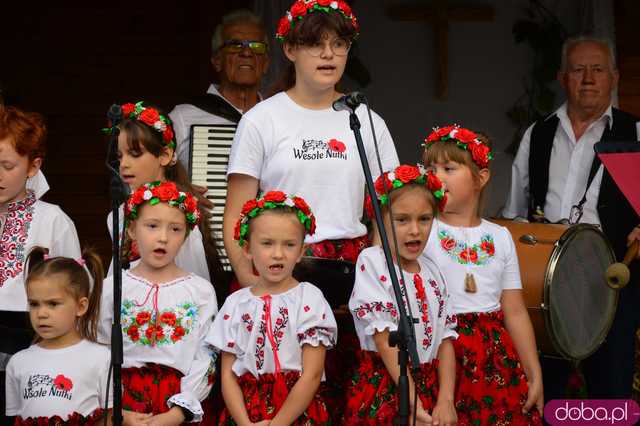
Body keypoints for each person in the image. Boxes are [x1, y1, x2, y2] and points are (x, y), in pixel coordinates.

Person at [225, 0, 398, 287]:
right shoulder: (260, 119)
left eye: (339, 44)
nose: (328, 54)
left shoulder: (367, 121)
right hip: (276, 265)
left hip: (352, 271)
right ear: (290, 49)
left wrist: (376, 278)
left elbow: (389, 209)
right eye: (316, 43)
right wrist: (251, 282)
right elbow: (235, 214)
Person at [503, 35, 640, 399]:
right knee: (545, 391)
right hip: (545, 282)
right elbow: (515, 214)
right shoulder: (538, 133)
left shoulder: (637, 133)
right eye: (579, 70)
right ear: (563, 78)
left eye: (598, 70)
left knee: (611, 390)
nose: (589, 78)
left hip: (613, 281)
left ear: (614, 78)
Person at [424, 125, 543, 425]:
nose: (436, 176)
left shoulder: (500, 236)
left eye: (449, 168)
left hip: (491, 357)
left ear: (481, 178)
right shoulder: (423, 230)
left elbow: (514, 311)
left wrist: (534, 372)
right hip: (441, 349)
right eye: (430, 168)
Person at [207, 191, 337, 425]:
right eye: (267, 243)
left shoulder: (309, 298)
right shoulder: (236, 303)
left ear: (300, 251)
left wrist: (279, 423)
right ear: (247, 249)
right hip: (246, 412)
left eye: (289, 245)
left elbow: (313, 373)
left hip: (296, 411)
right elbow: (227, 374)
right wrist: (244, 423)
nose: (278, 254)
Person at [344, 165, 457, 425]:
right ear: (380, 220)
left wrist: (446, 399)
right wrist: (411, 397)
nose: (415, 230)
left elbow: (446, 339)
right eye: (402, 219)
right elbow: (384, 338)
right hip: (387, 383)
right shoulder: (373, 262)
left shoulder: (432, 270)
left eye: (424, 219)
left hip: (431, 387)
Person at [98, 181, 218, 424]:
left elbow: (207, 356)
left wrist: (178, 411)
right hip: (122, 402)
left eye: (175, 229)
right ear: (131, 229)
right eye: (152, 226)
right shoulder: (112, 287)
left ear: (185, 235)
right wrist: (116, 410)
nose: (163, 237)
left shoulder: (200, 292)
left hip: (175, 402)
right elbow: (99, 349)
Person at [0, 105, 81, 424]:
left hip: (31, 348)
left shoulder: (54, 221)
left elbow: (76, 292)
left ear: (33, 167)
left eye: (7, 166)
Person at [105, 101, 226, 290]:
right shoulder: (119, 213)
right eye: (120, 156)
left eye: (135, 154)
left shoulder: (178, 212)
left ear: (165, 155)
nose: (124, 165)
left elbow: (195, 286)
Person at [5, 247, 111, 425]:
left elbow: (110, 417)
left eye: (53, 304)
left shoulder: (101, 358)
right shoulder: (18, 362)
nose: (41, 313)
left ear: (81, 306)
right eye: (34, 304)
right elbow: (15, 418)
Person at [170, 9, 270, 171]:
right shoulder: (183, 117)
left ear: (265, 64)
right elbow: (150, 174)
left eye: (256, 46)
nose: (246, 52)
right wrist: (182, 185)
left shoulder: (278, 117)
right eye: (235, 45)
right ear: (217, 61)